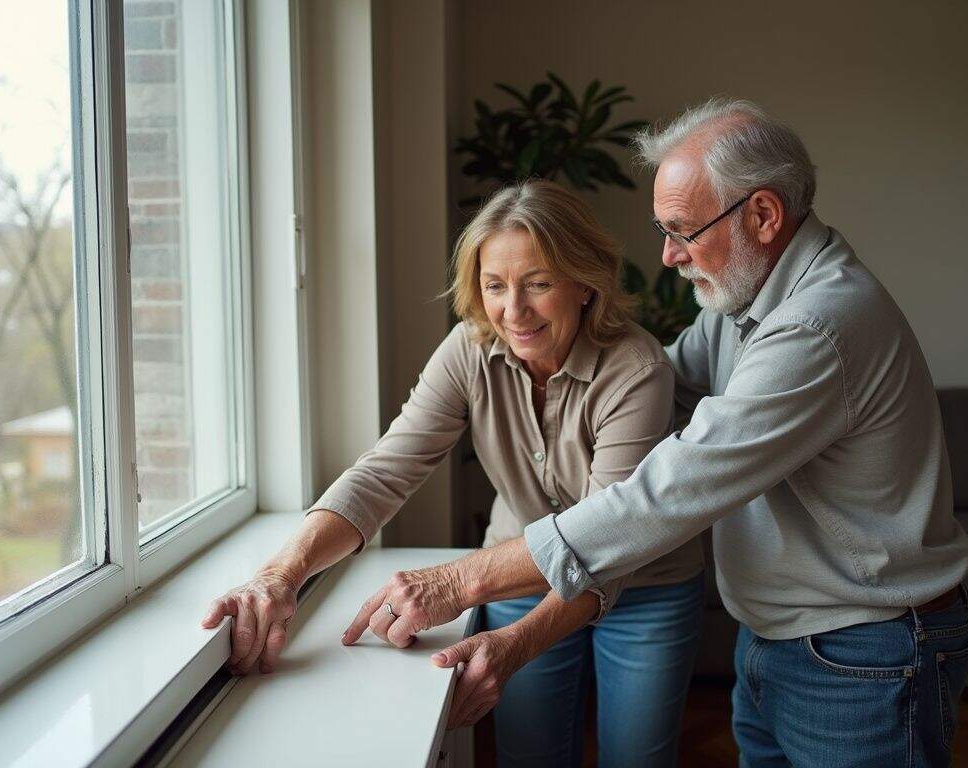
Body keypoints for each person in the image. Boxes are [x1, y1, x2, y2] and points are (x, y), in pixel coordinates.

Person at [344, 98, 968, 768]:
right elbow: (651, 384)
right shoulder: (744, 307)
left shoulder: (816, 327)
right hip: (783, 637)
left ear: (762, 216)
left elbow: (663, 494)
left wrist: (463, 581)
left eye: (683, 230)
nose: (670, 255)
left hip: (861, 651)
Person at [203, 179, 704, 767]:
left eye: (538, 284)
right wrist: (283, 572)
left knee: (637, 759)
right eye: (495, 286)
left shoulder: (637, 369)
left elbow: (608, 541)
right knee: (530, 755)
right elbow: (386, 470)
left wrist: (511, 641)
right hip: (520, 575)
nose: (513, 311)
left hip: (643, 585)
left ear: (585, 283)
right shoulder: (468, 349)